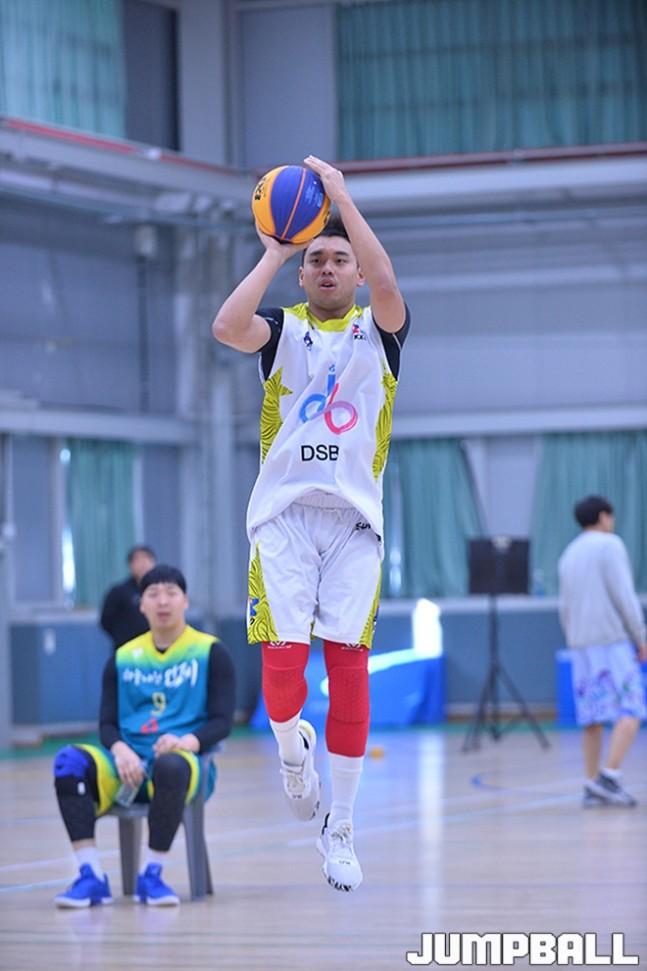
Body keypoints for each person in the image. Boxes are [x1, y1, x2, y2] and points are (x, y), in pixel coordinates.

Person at [212, 155, 409, 892]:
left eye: (339, 260)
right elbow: (225, 325)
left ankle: (342, 825)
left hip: (354, 525)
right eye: (316, 260)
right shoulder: (280, 331)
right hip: (285, 518)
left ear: (355, 273)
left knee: (349, 666)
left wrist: (344, 203)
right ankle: (292, 753)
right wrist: (273, 248)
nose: (328, 268)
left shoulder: (380, 332)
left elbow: (388, 285)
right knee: (285, 659)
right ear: (302, 274)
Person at [53, 564, 235, 907]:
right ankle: (90, 875)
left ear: (185, 601)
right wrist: (120, 750)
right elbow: (107, 724)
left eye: (171, 593)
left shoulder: (211, 651)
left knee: (171, 765)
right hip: (127, 766)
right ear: (142, 605)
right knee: (69, 761)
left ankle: (152, 875)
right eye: (153, 594)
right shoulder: (122, 658)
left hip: (185, 764)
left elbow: (223, 721)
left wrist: (186, 742)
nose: (162, 601)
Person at [558, 495, 647, 808]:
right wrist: (640, 636)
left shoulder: (568, 554)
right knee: (632, 708)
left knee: (592, 716)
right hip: (611, 641)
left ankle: (591, 783)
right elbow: (624, 594)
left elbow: (564, 606)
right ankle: (609, 775)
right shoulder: (610, 545)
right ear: (603, 516)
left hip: (580, 645)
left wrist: (573, 638)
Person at [100, 545, 156, 650]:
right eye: (138, 560)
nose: (143, 564)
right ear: (130, 565)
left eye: (147, 559)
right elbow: (105, 621)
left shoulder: (161, 593)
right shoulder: (118, 592)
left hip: (156, 649)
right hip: (127, 649)